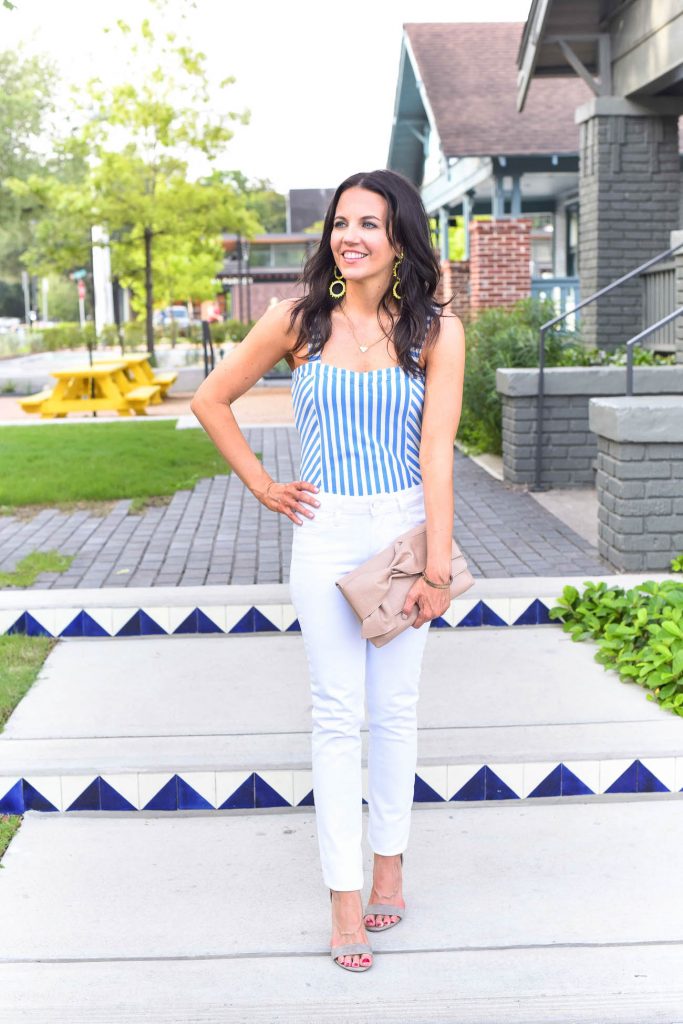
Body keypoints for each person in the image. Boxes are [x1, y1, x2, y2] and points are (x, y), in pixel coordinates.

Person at [190, 169, 465, 973]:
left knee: (396, 711)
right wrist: (264, 486)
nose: (350, 234)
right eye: (341, 222)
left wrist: (437, 570)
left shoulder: (433, 331)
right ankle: (344, 898)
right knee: (336, 714)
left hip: (403, 531)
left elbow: (436, 452)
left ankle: (390, 864)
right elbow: (212, 399)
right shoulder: (297, 319)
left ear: (398, 236)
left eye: (369, 223)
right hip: (324, 531)